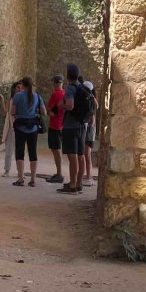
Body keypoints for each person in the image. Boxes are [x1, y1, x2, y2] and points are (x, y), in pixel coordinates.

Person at [57, 63, 89, 195]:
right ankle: (79, 184)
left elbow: (70, 105)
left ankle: (72, 185)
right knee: (81, 156)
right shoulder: (82, 87)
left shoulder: (70, 88)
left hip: (71, 126)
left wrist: (62, 105)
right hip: (82, 125)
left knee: (72, 156)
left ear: (68, 75)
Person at [10, 77, 47, 187]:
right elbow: (44, 112)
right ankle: (33, 180)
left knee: (19, 152)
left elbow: (12, 112)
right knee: (33, 153)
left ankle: (20, 178)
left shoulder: (17, 96)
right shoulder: (37, 96)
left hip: (20, 128)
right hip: (33, 128)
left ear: (23, 84)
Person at [0, 81, 23, 177]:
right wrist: (2, 100)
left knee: (20, 150)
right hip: (10, 125)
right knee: (9, 149)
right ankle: (7, 170)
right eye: (18, 87)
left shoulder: (24, 99)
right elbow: (5, 112)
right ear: (14, 88)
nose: (20, 89)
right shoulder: (11, 98)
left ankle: (20, 172)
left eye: (21, 88)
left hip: (21, 126)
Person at [45, 74, 66, 183]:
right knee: (57, 149)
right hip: (62, 125)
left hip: (55, 125)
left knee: (56, 150)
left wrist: (49, 111)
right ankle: (58, 173)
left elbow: (48, 108)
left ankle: (59, 174)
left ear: (54, 83)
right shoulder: (65, 93)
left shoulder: (56, 94)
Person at [81, 79, 97, 187]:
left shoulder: (91, 100)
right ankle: (87, 175)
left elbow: (92, 119)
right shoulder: (90, 99)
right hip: (89, 129)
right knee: (85, 153)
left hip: (90, 130)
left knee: (87, 153)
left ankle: (89, 176)